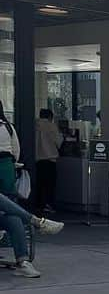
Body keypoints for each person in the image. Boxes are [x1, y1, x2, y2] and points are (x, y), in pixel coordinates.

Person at [0, 101, 64, 278]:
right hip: (41, 161)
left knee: (13, 218)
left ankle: (23, 262)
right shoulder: (8, 128)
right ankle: (37, 221)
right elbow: (16, 151)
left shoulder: (9, 127)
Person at [35, 108, 63, 214]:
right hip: (50, 159)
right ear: (50, 117)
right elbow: (59, 142)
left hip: (37, 160)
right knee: (49, 185)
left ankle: (38, 205)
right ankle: (48, 204)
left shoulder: (34, 125)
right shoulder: (51, 126)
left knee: (39, 184)